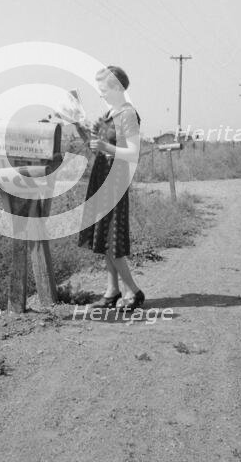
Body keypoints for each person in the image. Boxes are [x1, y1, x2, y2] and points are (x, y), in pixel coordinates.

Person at [77, 65, 145, 310]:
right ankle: (112, 290)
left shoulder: (127, 114)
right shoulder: (109, 115)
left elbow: (134, 152)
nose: (101, 94)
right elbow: (99, 144)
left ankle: (134, 291)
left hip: (116, 180)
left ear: (117, 88)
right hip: (102, 178)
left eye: (104, 89)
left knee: (113, 237)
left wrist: (107, 148)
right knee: (105, 237)